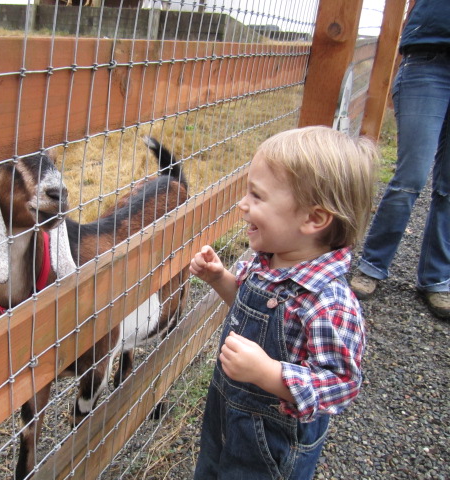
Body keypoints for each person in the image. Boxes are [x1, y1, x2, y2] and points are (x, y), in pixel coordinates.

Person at [191, 126, 378, 479]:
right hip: (225, 412)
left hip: (271, 441)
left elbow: (341, 385)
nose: (242, 204)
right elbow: (245, 304)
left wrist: (270, 374)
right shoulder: (266, 261)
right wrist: (219, 279)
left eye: (257, 196)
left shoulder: (328, 302)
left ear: (313, 219)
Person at [350, 0, 450, 319]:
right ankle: (372, 265)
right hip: (428, 59)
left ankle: (437, 279)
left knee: (448, 186)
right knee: (411, 178)